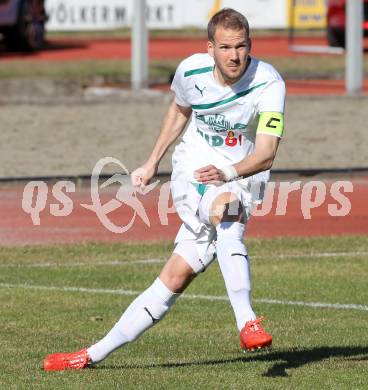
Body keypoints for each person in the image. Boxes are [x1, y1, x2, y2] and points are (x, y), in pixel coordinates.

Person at [43, 8, 286, 371]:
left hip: (239, 175)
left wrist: (227, 171)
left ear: (250, 45)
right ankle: (247, 321)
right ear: (210, 48)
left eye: (241, 46)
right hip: (194, 171)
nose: (234, 55)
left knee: (172, 279)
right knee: (229, 213)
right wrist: (152, 161)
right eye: (225, 47)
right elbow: (178, 111)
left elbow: (266, 154)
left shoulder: (269, 83)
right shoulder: (191, 71)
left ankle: (89, 355)